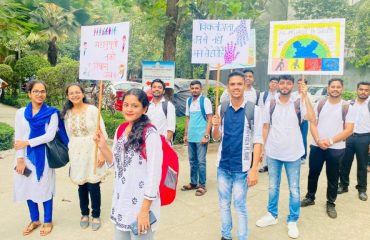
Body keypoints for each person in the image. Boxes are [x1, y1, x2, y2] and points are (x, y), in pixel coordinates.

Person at [94, 88, 163, 240]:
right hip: (121, 200)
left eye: (135, 105)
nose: (129, 109)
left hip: (142, 204)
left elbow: (154, 175)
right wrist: (102, 146)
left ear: (144, 108)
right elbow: (116, 164)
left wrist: (144, 211)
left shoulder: (150, 134)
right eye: (126, 105)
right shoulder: (120, 129)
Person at [255, 75, 315, 239]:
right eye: (282, 82)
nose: (285, 85)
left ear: (293, 85)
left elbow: (312, 118)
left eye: (289, 83)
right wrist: (262, 149)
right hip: (273, 152)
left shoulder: (298, 102)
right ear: (278, 85)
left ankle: (292, 220)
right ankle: (271, 215)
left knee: (294, 189)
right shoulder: (271, 102)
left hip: (293, 153)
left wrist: (305, 96)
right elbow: (265, 127)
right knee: (273, 186)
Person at [212, 71, 263, 240]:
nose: (236, 87)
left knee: (240, 206)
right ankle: (226, 235)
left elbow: (258, 141)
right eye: (232, 84)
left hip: (242, 167)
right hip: (223, 165)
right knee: (224, 204)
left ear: (244, 86)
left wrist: (254, 168)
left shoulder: (253, 110)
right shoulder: (222, 107)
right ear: (228, 87)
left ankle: (242, 237)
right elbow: (217, 137)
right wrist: (216, 126)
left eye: (239, 84)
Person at [13, 80, 68, 236]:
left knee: (45, 187)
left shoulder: (52, 113)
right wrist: (20, 159)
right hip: (25, 156)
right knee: (27, 187)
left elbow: (49, 136)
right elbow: (18, 137)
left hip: (43, 156)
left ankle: (48, 220)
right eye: (36, 91)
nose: (39, 94)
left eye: (42, 91)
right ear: (29, 93)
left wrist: (28, 142)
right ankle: (35, 219)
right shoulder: (20, 113)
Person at [301, 78, 355, 219]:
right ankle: (310, 197)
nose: (335, 89)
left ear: (342, 89)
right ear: (328, 88)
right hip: (317, 146)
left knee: (333, 177)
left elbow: (349, 130)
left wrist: (330, 141)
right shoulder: (320, 103)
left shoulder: (347, 107)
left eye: (338, 87)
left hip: (336, 148)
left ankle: (331, 203)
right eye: (333, 86)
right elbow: (313, 122)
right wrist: (318, 140)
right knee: (313, 174)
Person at [62, 83, 109, 230]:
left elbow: (102, 132)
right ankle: (84, 213)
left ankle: (96, 215)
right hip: (76, 152)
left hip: (92, 150)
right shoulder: (67, 114)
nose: (75, 95)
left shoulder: (93, 110)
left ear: (83, 94)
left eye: (77, 92)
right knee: (81, 184)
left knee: (93, 184)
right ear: (68, 96)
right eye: (71, 93)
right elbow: (69, 135)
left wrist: (102, 152)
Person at [338, 81, 370, 201]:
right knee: (345, 163)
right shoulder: (350, 104)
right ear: (357, 90)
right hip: (349, 137)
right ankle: (343, 185)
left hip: (364, 138)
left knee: (362, 165)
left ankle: (362, 189)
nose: (363, 92)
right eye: (361, 89)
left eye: (366, 90)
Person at [182, 80, 213, 196]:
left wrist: (206, 135)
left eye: (197, 88)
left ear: (200, 89)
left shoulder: (205, 101)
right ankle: (193, 182)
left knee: (201, 162)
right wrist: (186, 134)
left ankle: (202, 185)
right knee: (192, 161)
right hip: (191, 137)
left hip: (201, 137)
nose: (194, 90)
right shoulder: (188, 101)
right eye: (192, 88)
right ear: (190, 89)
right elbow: (188, 118)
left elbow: (210, 118)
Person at [257, 76, 279, 173]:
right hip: (264, 124)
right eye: (272, 82)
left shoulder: (280, 96)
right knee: (264, 143)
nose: (273, 84)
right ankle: (264, 165)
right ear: (269, 83)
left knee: (274, 144)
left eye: (276, 82)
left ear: (278, 85)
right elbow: (259, 108)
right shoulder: (263, 95)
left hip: (275, 125)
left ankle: (273, 165)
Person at [292, 78, 310, 164]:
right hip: (294, 121)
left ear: (305, 85)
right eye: (298, 84)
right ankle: (294, 154)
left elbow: (310, 108)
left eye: (302, 84)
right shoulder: (293, 95)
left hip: (304, 121)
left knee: (303, 138)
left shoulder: (308, 95)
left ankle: (303, 156)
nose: (300, 86)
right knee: (294, 138)